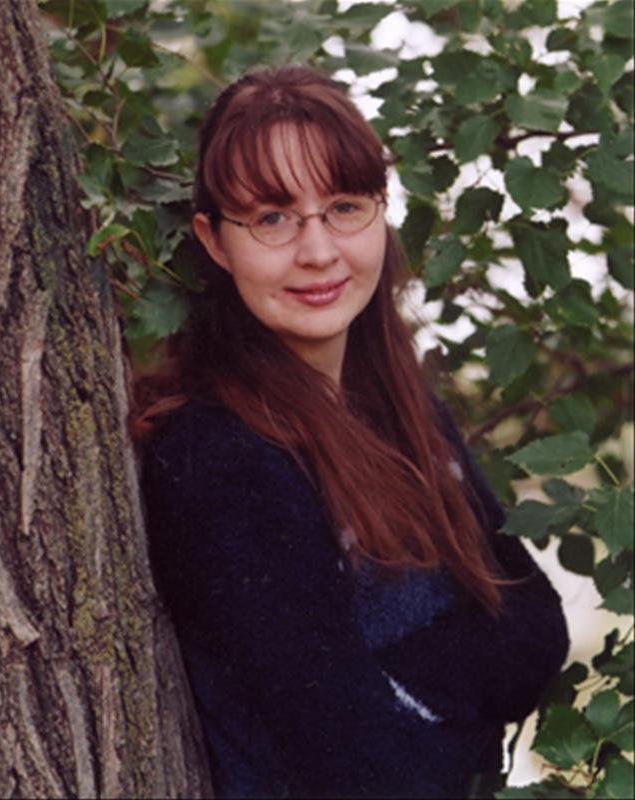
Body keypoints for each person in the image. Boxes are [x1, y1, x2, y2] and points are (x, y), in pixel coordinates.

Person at [135, 65, 569, 799]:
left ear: (380, 209)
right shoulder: (219, 457)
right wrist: (454, 706)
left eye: (343, 207)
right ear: (214, 240)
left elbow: (537, 631)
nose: (317, 251)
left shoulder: (399, 410)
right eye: (272, 218)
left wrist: (403, 689)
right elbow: (359, 770)